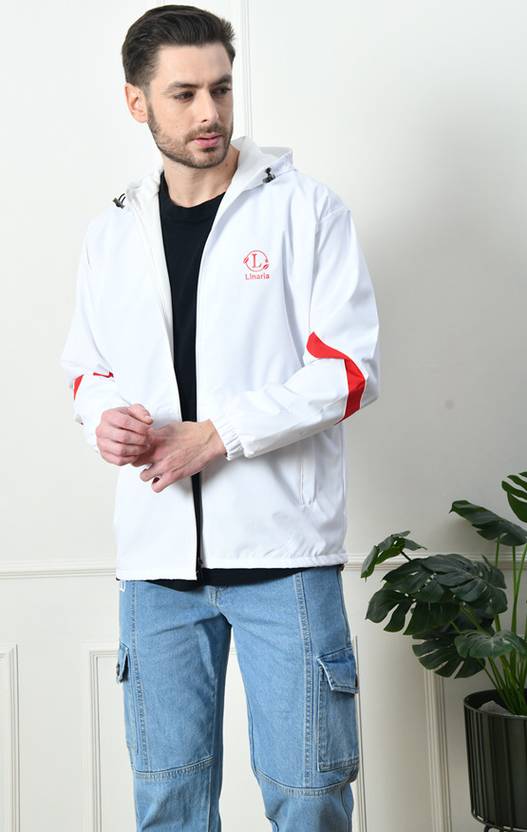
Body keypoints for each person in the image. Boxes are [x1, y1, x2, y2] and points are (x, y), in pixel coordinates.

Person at [60, 5, 380, 830]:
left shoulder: (307, 211)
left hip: (284, 558)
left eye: (222, 89)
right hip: (155, 567)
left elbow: (348, 372)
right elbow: (87, 368)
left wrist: (219, 435)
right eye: (184, 94)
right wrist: (104, 418)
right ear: (137, 102)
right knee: (169, 804)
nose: (210, 112)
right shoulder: (111, 233)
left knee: (308, 799)